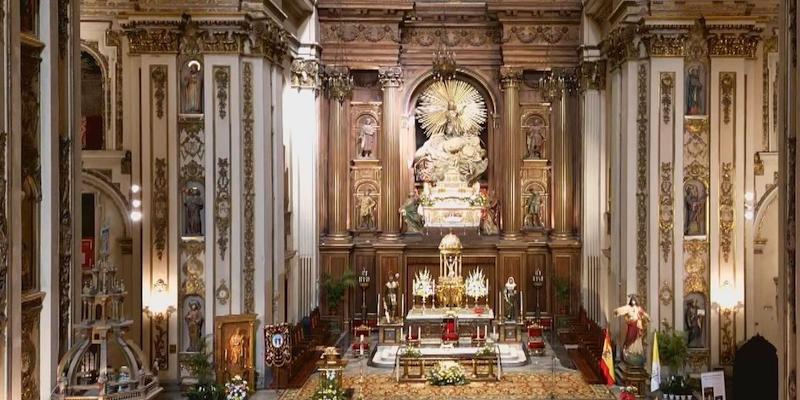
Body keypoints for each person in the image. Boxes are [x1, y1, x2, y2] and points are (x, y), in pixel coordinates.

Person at [613, 296, 650, 365]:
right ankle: (629, 350)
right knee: (630, 336)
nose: (633, 302)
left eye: (634, 300)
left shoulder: (638, 308)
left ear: (636, 301)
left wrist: (648, 317)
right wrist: (616, 311)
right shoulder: (628, 308)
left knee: (637, 338)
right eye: (632, 300)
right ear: (631, 301)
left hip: (637, 325)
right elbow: (621, 310)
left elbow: (644, 314)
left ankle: (636, 351)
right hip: (632, 325)